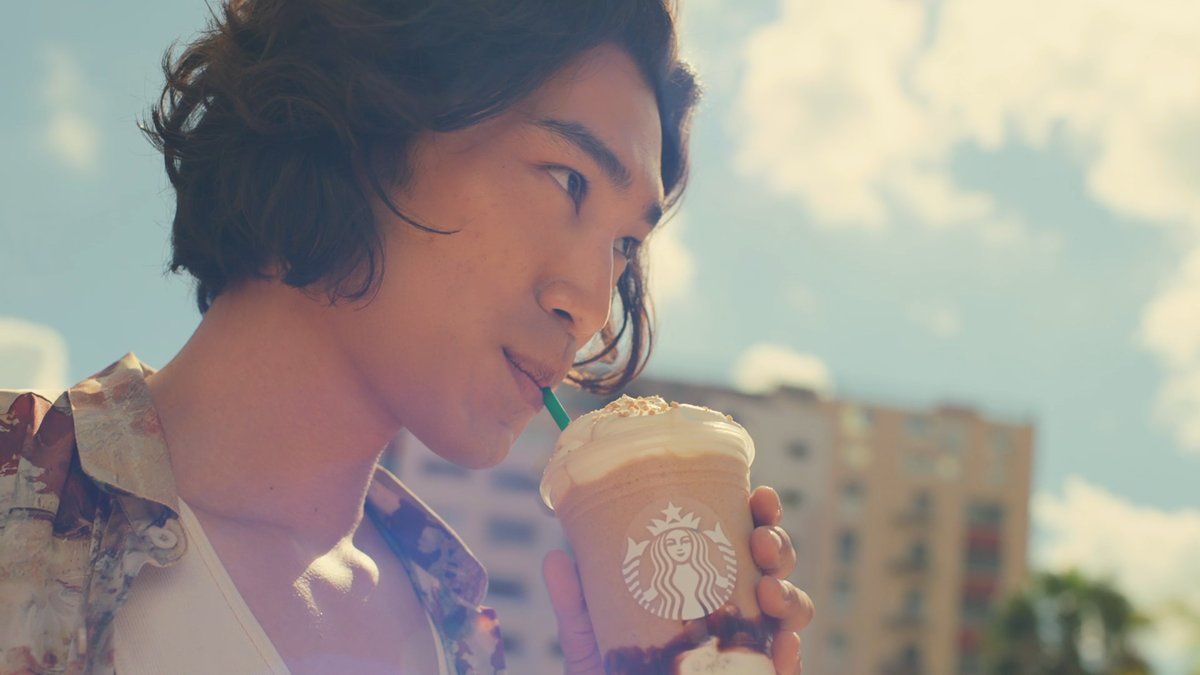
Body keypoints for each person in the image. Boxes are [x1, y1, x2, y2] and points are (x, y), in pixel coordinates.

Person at [0, 0, 815, 673]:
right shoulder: (16, 510)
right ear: (371, 108)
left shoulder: (461, 638)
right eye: (567, 179)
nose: (595, 304)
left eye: (624, 246)